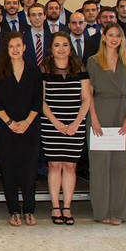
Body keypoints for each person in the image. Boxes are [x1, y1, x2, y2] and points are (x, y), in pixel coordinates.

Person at [86, 23, 126, 225]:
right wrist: (94, 119)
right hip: (100, 112)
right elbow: (88, 93)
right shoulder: (93, 61)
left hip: (122, 113)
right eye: (111, 35)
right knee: (99, 165)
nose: (114, 39)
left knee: (121, 165)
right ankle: (102, 211)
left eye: (118, 35)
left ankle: (119, 211)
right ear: (104, 37)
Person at [40, 33, 91, 226]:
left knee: (70, 166)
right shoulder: (44, 68)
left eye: (65, 45)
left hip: (74, 124)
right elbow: (41, 99)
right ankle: (55, 206)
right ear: (51, 49)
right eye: (57, 45)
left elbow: (86, 98)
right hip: (52, 124)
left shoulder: (80, 68)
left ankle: (67, 206)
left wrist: (77, 122)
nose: (61, 49)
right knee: (54, 165)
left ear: (70, 48)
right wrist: (56, 123)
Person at [0, 33, 41, 226]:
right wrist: (10, 123)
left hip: (30, 127)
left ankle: (29, 210)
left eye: (18, 46)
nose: (15, 49)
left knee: (29, 171)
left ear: (24, 48)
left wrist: (27, 122)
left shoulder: (34, 70)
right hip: (6, 128)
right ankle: (13, 211)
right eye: (11, 46)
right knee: (9, 170)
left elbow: (38, 100)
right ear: (7, 49)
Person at [21, 3, 51, 68]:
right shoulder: (22, 38)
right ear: (29, 18)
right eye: (33, 15)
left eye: (40, 14)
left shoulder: (52, 38)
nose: (37, 18)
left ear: (45, 16)